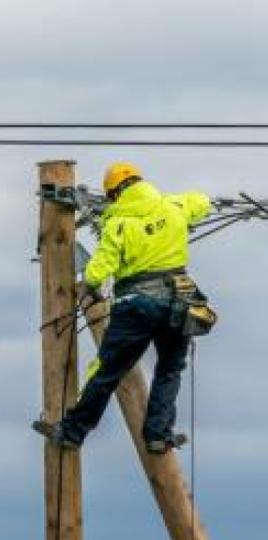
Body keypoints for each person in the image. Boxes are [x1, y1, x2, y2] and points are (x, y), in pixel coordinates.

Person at [34, 162, 212, 454]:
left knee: (108, 371)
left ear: (115, 193)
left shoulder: (117, 223)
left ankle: (72, 433)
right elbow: (202, 201)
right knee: (170, 368)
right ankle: (158, 435)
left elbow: (98, 271)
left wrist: (88, 284)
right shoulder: (174, 206)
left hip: (137, 305)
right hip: (179, 302)